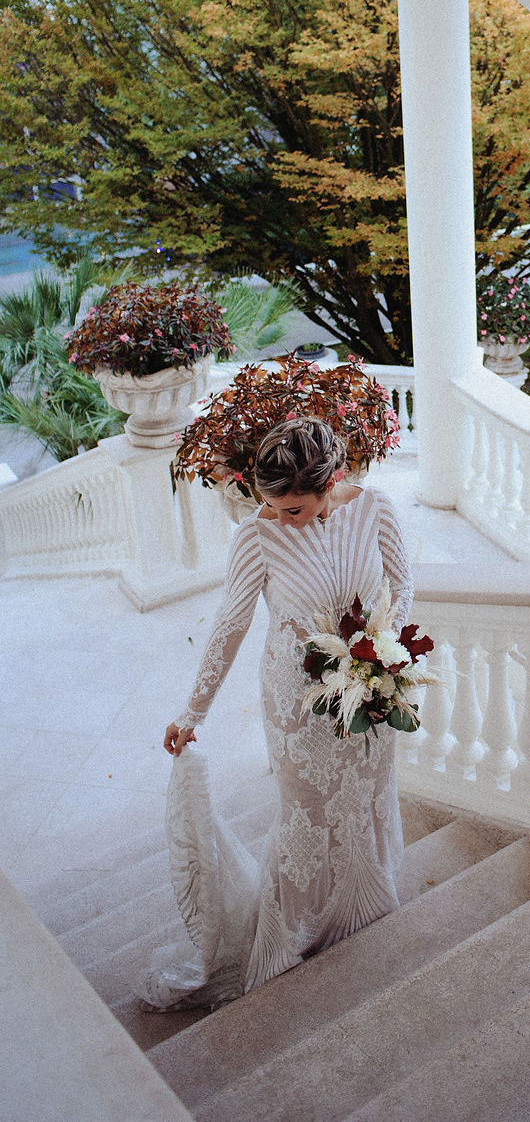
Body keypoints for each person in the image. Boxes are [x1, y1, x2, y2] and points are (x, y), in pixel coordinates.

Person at [138, 416, 413, 1010]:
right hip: (297, 706)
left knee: (366, 797)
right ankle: (290, 935)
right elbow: (230, 626)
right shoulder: (256, 536)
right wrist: (192, 714)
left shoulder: (377, 510)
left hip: (368, 691)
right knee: (307, 816)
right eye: (271, 505)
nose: (280, 519)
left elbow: (402, 585)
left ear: (331, 483)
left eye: (294, 509)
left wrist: (380, 649)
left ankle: (363, 900)